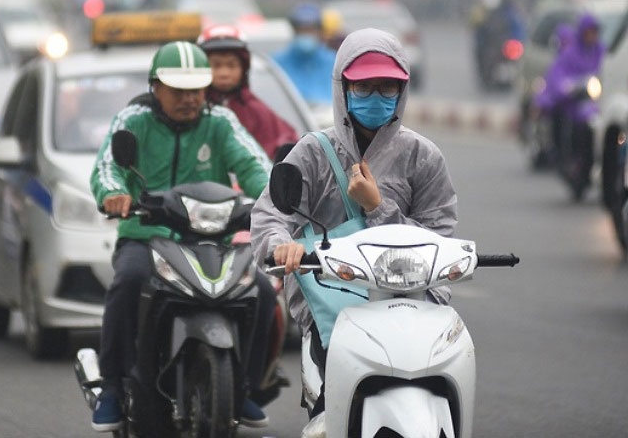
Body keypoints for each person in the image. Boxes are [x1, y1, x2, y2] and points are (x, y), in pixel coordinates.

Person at [250, 28, 457, 419]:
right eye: (364, 88)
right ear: (342, 88)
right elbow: (270, 213)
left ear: (403, 91)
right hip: (332, 306)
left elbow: (439, 238)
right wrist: (281, 244)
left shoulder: (423, 158)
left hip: (410, 302)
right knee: (329, 411)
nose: (376, 98)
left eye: (387, 87)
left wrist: (377, 206)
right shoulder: (312, 152)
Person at [89, 41, 277, 432]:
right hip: (145, 236)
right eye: (179, 90)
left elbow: (256, 164)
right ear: (155, 86)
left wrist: (274, 196)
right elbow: (108, 167)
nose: (190, 99)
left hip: (210, 238)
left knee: (260, 288)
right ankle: (111, 384)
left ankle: (243, 386)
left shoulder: (220, 121)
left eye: (196, 89)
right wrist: (114, 195)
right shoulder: (133, 119)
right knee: (129, 281)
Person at [197, 23, 299, 160]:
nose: (224, 73)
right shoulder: (190, 108)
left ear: (244, 68)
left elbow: (286, 148)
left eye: (231, 65)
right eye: (216, 65)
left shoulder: (258, 112)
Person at [533, 13, 604, 163]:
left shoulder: (601, 52)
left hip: (596, 100)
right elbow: (558, 76)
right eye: (588, 32)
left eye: (594, 32)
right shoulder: (570, 54)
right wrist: (568, 86)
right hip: (573, 100)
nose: (591, 36)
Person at [272, 2, 337, 106]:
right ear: (294, 31)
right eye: (302, 30)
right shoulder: (276, 63)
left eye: (310, 30)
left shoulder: (333, 61)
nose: (306, 34)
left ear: (319, 31)